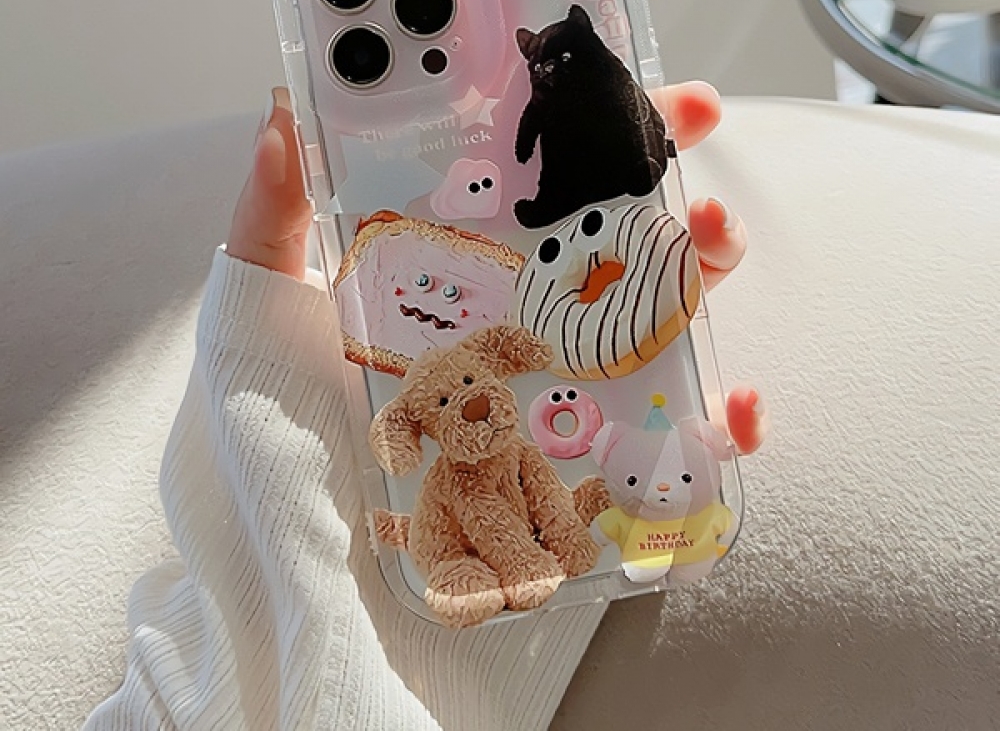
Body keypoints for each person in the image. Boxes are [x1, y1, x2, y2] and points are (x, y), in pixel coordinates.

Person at [83, 83, 765, 731]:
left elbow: (539, 482)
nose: (472, 407)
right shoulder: (445, 450)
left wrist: (286, 556)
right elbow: (489, 515)